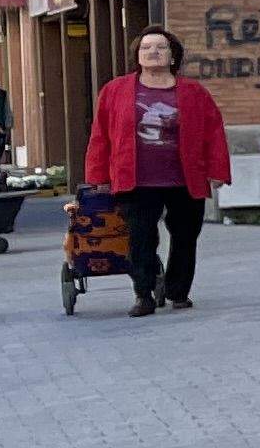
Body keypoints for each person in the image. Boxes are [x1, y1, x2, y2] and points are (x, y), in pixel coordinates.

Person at [85, 28, 232, 317]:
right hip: (136, 179)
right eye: (146, 47)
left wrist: (217, 170)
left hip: (183, 178)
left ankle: (178, 291)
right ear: (137, 55)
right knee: (140, 239)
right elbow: (101, 134)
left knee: (185, 236)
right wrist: (98, 177)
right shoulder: (115, 90)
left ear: (172, 54)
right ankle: (144, 293)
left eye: (160, 47)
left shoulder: (193, 92)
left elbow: (213, 132)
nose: (153, 52)